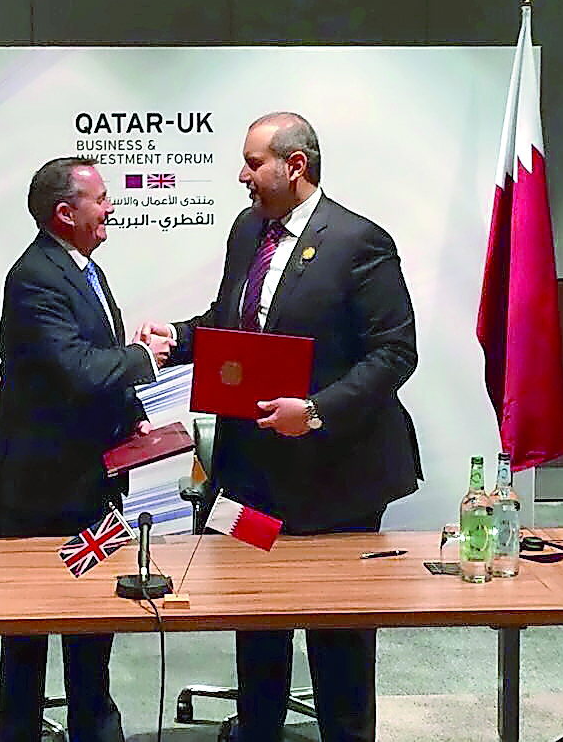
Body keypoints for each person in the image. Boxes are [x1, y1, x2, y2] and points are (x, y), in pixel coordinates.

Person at [138, 112, 422, 742]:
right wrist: (179, 340)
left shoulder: (359, 242)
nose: (241, 175)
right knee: (257, 621)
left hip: (335, 478)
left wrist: (315, 411)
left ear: (295, 166)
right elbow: (234, 322)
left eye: (252, 161)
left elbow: (395, 353)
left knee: (336, 637)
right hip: (252, 477)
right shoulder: (249, 230)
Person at [0, 156, 172, 742]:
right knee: (27, 637)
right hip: (40, 493)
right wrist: (144, 360)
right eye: (100, 199)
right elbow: (75, 370)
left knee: (94, 624)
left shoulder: (85, 268)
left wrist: (135, 420)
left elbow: (98, 357)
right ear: (65, 213)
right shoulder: (34, 276)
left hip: (93, 489)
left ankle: (94, 726)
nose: (111, 207)